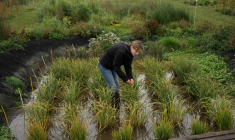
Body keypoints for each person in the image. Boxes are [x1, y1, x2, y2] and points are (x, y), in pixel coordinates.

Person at [98, 40, 143, 107]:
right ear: (131, 47)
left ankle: (116, 103)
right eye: (136, 51)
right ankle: (109, 105)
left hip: (113, 65)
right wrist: (125, 79)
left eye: (138, 52)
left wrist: (130, 78)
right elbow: (116, 67)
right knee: (113, 87)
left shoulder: (130, 53)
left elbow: (128, 66)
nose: (137, 54)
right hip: (105, 66)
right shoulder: (121, 51)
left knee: (117, 86)